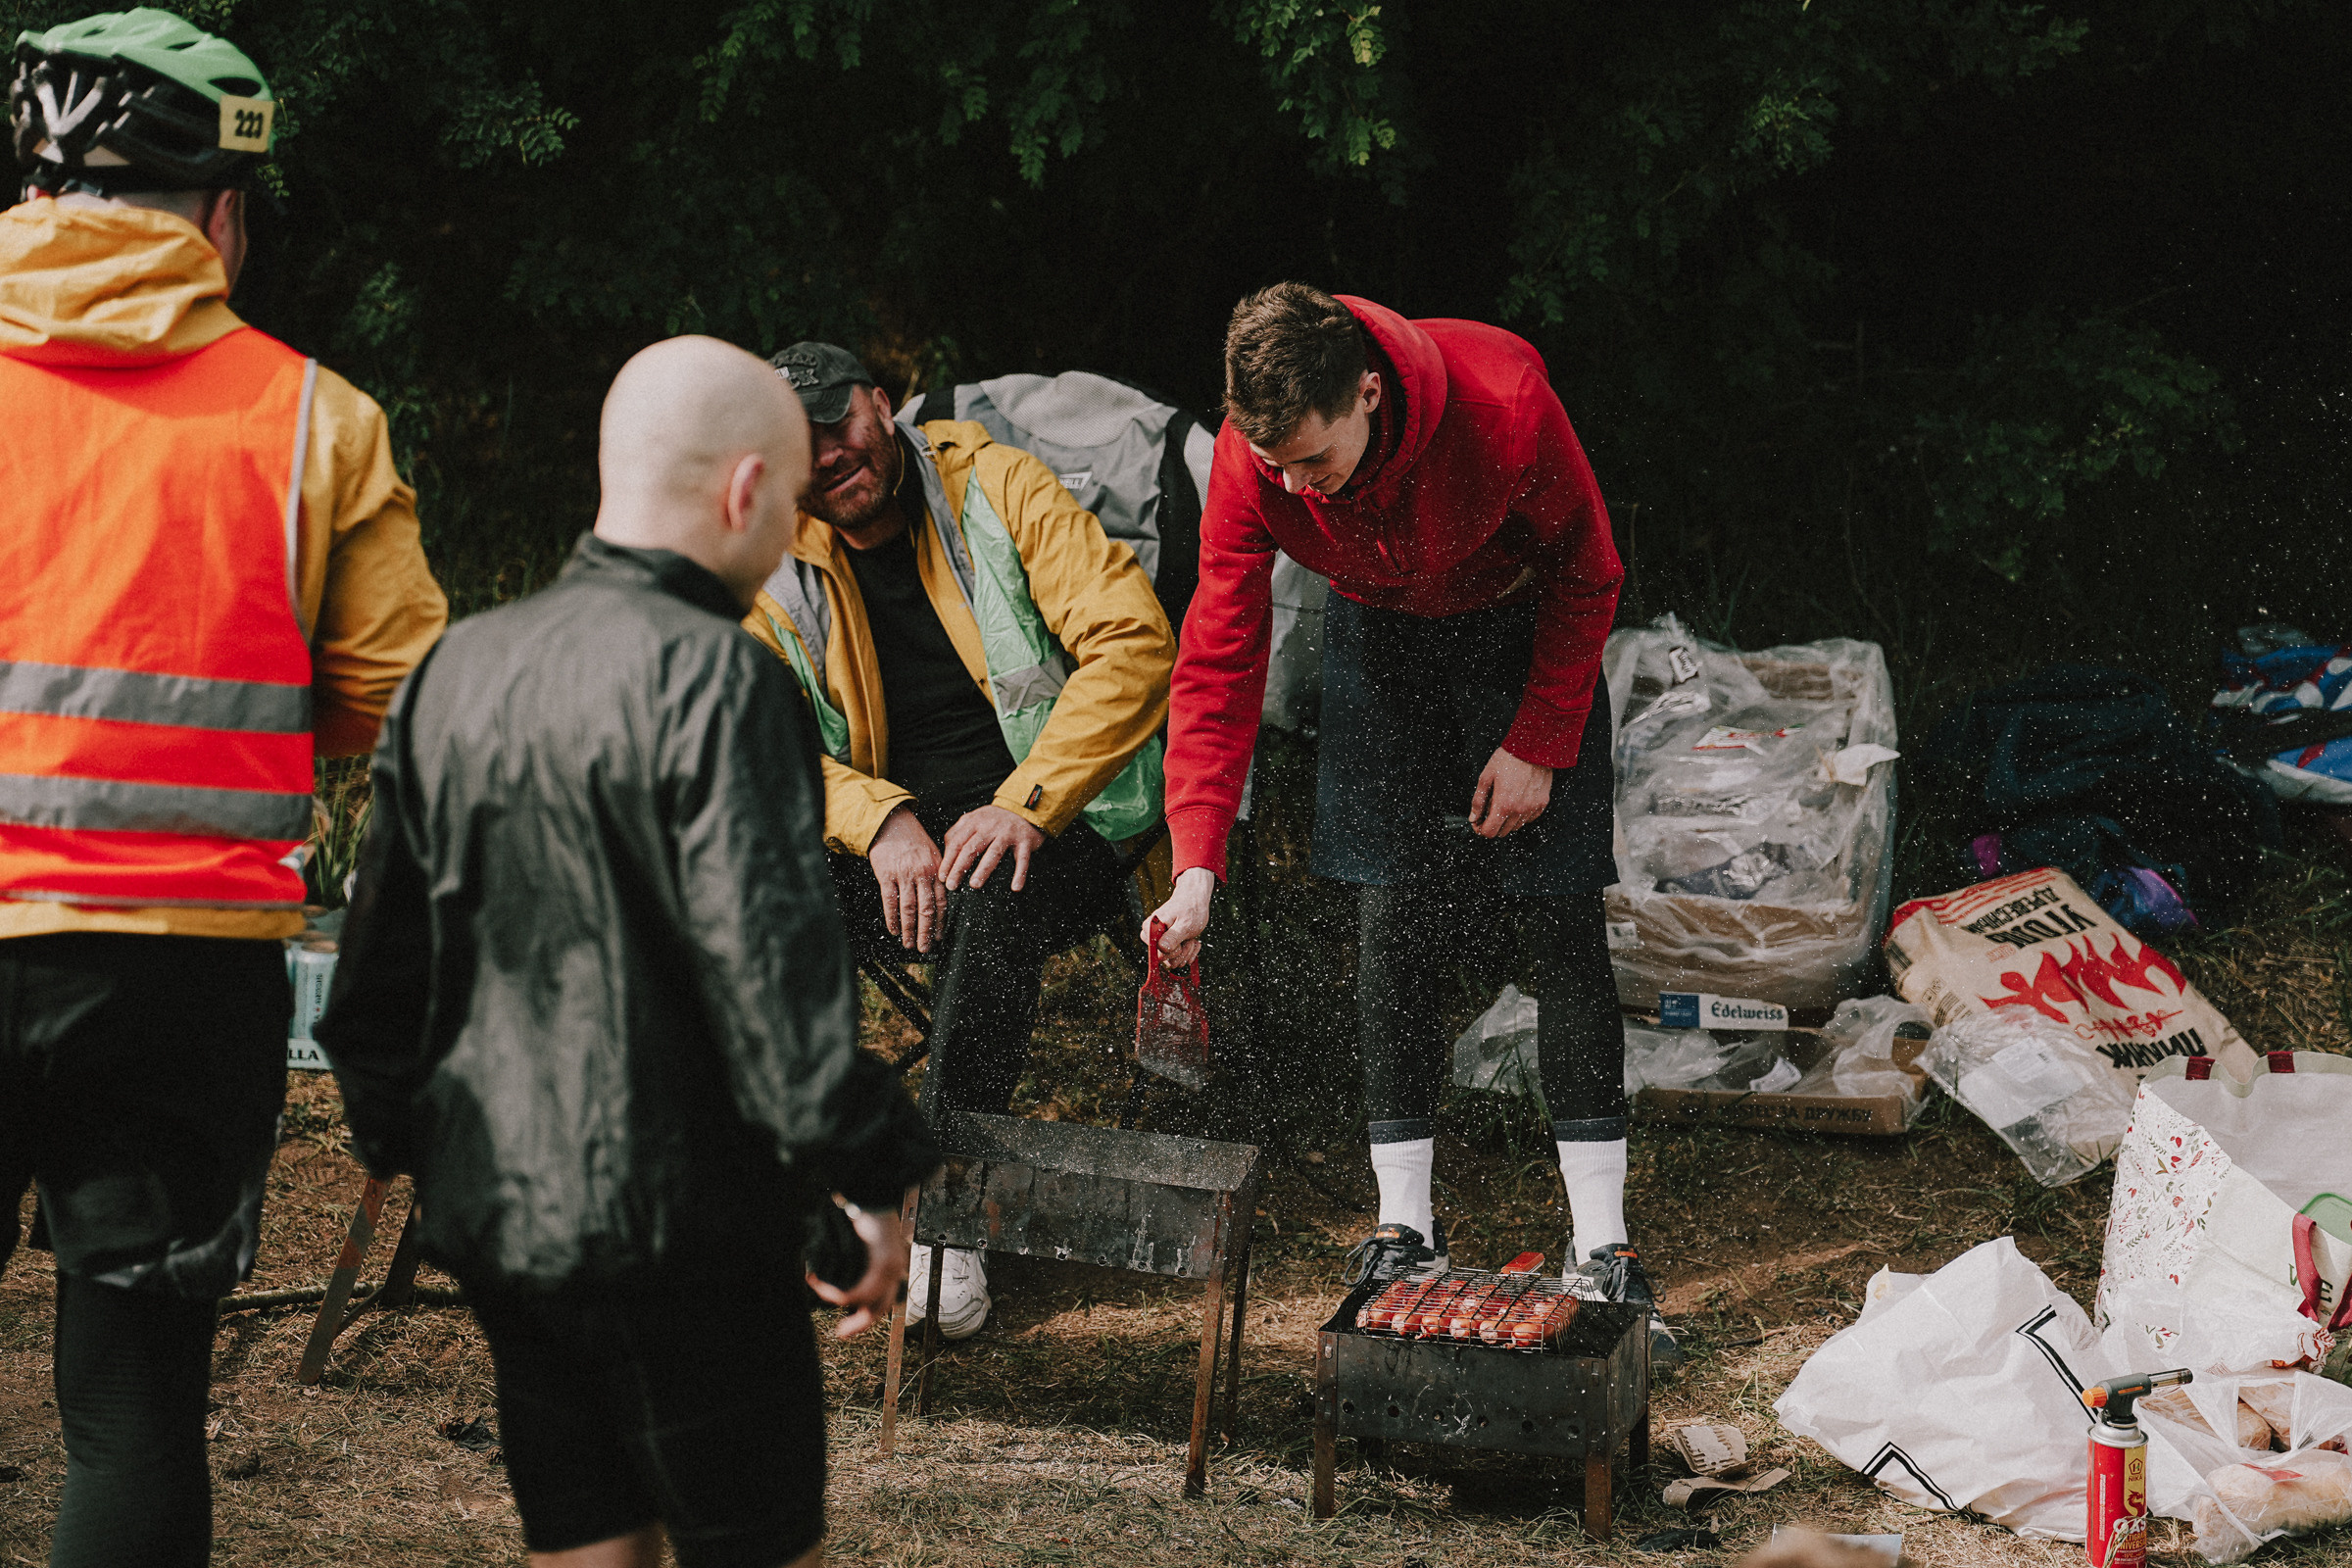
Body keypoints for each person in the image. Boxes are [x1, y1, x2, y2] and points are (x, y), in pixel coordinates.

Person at [319, 336, 939, 1568]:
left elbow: (377, 980)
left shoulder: (455, 669)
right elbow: (771, 984)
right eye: (794, 503)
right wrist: (871, 1180)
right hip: (691, 1237)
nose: (797, 535)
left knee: (586, 1545)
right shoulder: (726, 681)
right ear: (746, 491)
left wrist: (420, 1148)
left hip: (506, 1223)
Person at [0, 11, 449, 1563]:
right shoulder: (315, 419)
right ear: (222, 213)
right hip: (177, 983)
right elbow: (400, 700)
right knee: (132, 1412)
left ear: (35, 190)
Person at [1145, 282, 1679, 1365]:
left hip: (1523, 621)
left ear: (1368, 394)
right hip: (1382, 639)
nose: (1296, 487)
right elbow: (1220, 652)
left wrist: (1541, 737)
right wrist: (1196, 859)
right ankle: (1405, 1231)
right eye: (1277, 466)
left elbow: (1590, 568)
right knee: (1392, 921)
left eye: (1313, 461)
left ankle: (1603, 1244)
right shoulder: (1258, 461)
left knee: (1560, 921)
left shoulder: (1503, 399)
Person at [745, 342, 1175, 1340]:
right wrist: (878, 820)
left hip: (1062, 818)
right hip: (894, 843)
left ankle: (941, 1214)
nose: (829, 456)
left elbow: (1133, 643)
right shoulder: (771, 562)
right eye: (799, 446)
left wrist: (1026, 803)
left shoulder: (998, 487)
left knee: (990, 885)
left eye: (839, 424)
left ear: (882, 405)